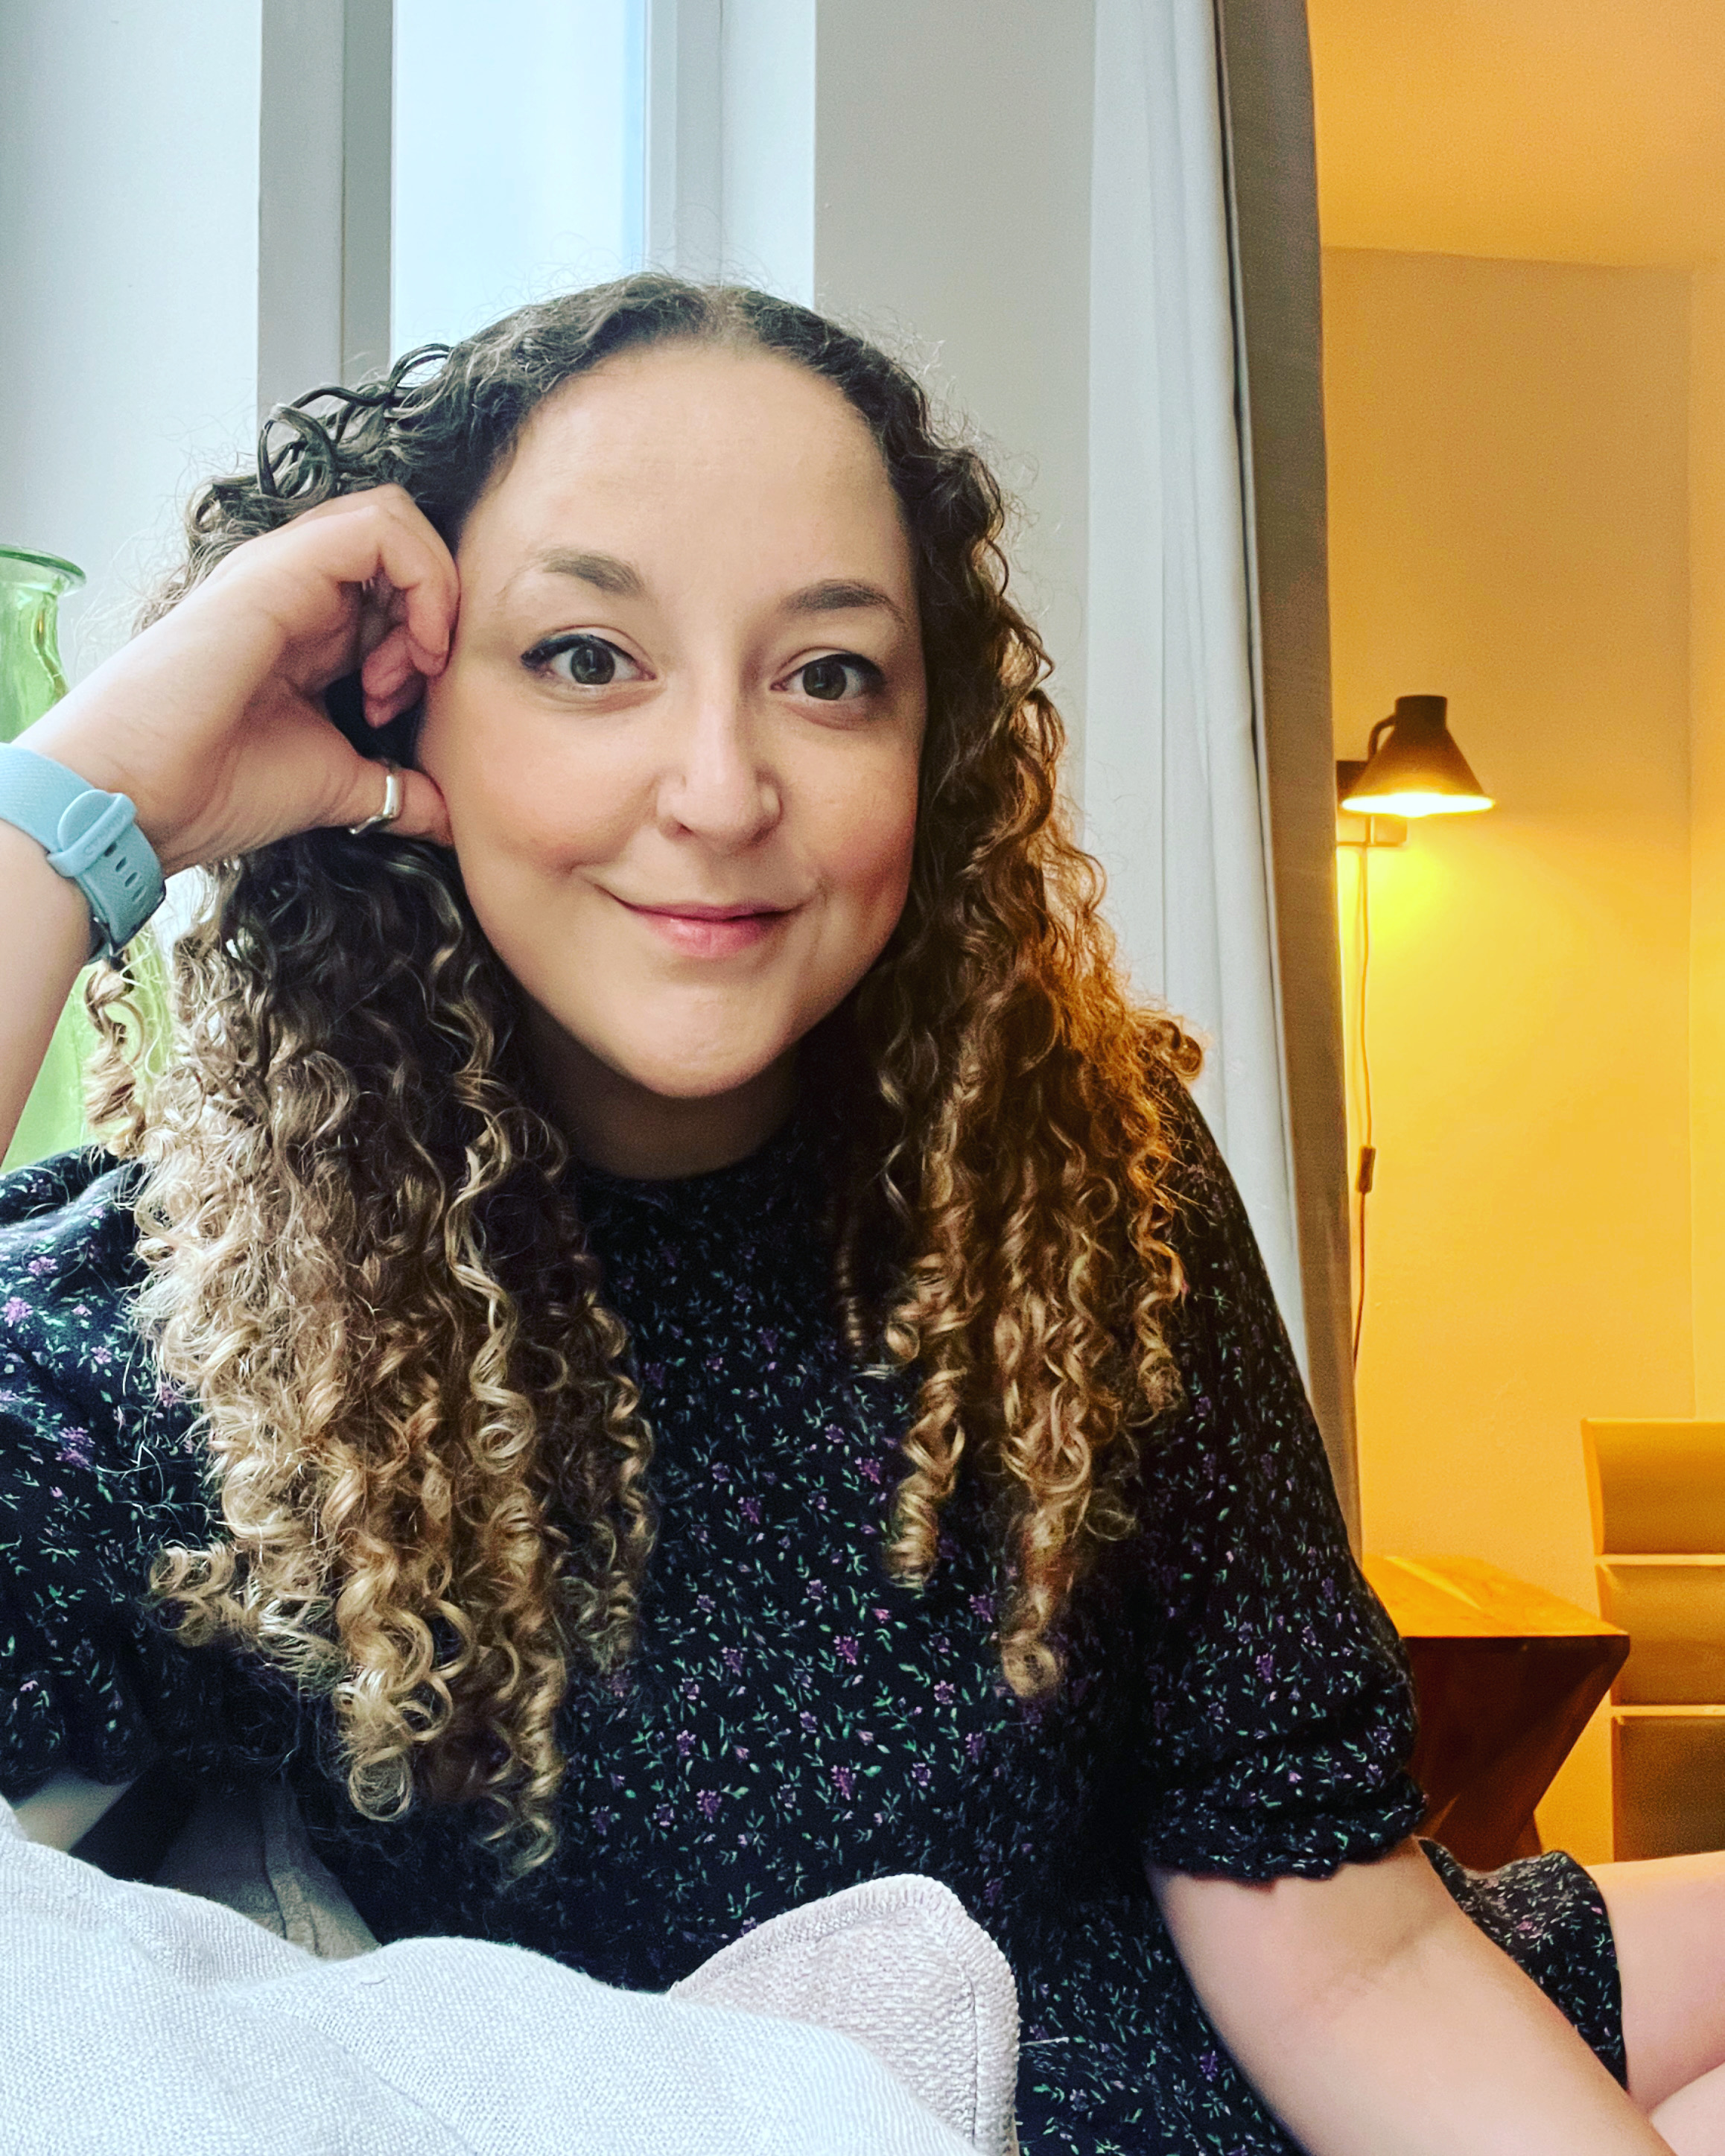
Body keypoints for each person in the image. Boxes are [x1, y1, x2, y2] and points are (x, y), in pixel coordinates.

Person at [1, 274, 1723, 2156]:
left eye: (829, 674)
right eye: (589, 656)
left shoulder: (1073, 1163)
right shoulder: (212, 1310)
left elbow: (1340, 1941)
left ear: (935, 748)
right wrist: (89, 801)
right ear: (399, 708)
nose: (725, 791)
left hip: (1257, 2029)